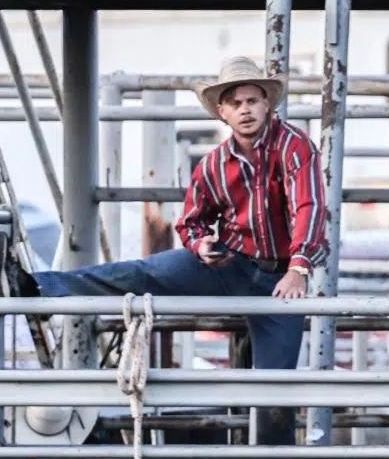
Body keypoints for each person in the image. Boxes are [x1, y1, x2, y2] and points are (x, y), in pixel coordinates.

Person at [24, 57, 325, 372]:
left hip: (280, 276)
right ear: (223, 113)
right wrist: (202, 247)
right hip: (231, 264)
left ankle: (266, 418)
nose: (244, 110)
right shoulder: (214, 165)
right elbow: (191, 223)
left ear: (267, 105)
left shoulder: (294, 146)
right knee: (139, 273)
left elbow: (309, 206)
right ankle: (36, 285)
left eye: (252, 101)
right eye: (235, 104)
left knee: (273, 391)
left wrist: (298, 270)